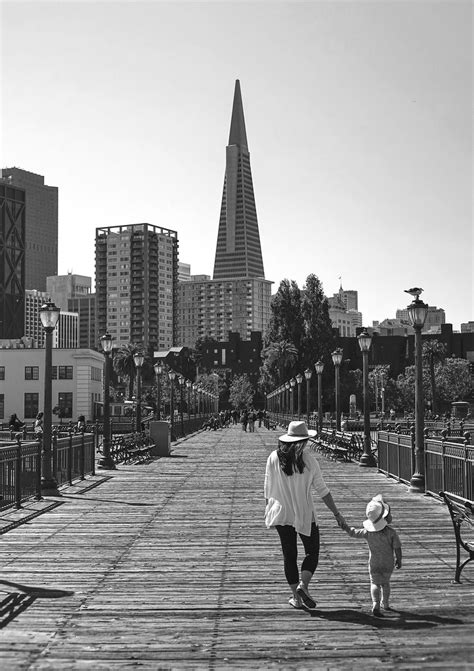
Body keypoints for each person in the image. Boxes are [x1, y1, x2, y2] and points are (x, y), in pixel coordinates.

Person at [264, 420, 347, 610]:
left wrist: (268, 511)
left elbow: (267, 490)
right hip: (304, 514)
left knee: (289, 555)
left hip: (281, 513)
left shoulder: (273, 458)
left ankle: (296, 597)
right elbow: (323, 491)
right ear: (304, 441)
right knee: (312, 552)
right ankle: (304, 585)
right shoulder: (310, 461)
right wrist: (337, 514)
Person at [343, 494, 402, 617]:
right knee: (385, 583)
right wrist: (399, 559)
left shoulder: (367, 532)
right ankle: (384, 603)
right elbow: (397, 547)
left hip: (374, 563)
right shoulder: (391, 533)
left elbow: (354, 533)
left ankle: (375, 603)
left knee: (374, 583)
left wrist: (346, 527)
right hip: (388, 563)